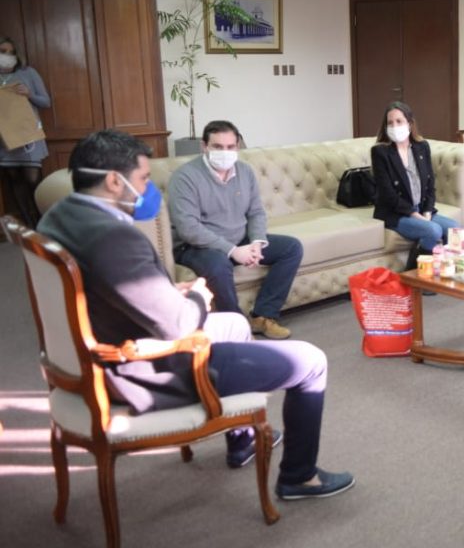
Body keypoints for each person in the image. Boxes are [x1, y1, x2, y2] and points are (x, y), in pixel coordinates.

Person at [37, 129, 353, 500]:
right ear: (113, 181)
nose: (147, 189)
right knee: (311, 361)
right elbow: (180, 324)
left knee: (235, 323)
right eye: (143, 179)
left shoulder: (59, 217)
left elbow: (110, 288)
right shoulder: (114, 237)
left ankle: (242, 440)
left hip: (96, 353)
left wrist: (167, 293)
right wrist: (199, 297)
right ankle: (299, 477)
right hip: (144, 370)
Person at [168, 120, 302, 340]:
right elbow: (188, 228)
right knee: (218, 265)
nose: (225, 152)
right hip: (195, 246)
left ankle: (263, 316)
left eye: (230, 147)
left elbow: (256, 212)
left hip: (238, 239)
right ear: (204, 146)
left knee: (291, 248)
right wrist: (232, 251)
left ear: (237, 146)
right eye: (217, 147)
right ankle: (238, 329)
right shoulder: (185, 177)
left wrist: (257, 242)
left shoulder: (245, 171)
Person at [371, 101, 458, 267]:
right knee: (433, 230)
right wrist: (416, 216)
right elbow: (388, 195)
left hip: (421, 209)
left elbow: (430, 184)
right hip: (396, 213)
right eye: (390, 123)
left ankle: (445, 269)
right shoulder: (380, 152)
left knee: (454, 229)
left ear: (410, 124)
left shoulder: (421, 147)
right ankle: (415, 274)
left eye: (399, 121)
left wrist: (427, 212)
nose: (394, 126)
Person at [0, 35, 51, 228]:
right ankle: (29, 225)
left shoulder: (28, 73)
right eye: (3, 51)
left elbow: (46, 102)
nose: (7, 56)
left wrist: (29, 94)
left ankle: (43, 223)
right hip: (5, 139)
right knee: (15, 180)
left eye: (11, 52)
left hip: (29, 136)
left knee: (33, 179)